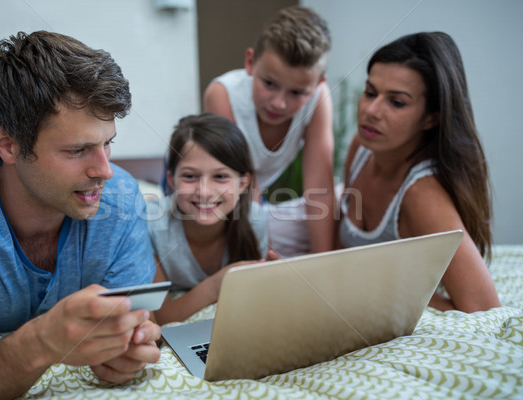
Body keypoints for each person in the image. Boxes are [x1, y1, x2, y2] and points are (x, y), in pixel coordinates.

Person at [0, 31, 161, 399]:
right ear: (7, 144)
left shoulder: (123, 199)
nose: (105, 171)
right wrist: (39, 343)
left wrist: (130, 351)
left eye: (107, 144)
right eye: (78, 149)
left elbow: (137, 329)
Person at [338, 32, 501, 312]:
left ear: (431, 118)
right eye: (370, 92)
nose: (371, 111)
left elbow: (484, 309)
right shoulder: (363, 147)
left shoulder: (421, 194)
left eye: (396, 102)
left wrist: (370, 288)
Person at [203, 5, 336, 257]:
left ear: (318, 84)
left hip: (253, 199)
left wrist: (324, 264)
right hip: (219, 187)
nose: (279, 103)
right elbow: (242, 182)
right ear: (250, 62)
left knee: (338, 203)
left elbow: (320, 188)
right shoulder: (222, 94)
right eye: (269, 84)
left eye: (297, 93)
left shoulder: (319, 99)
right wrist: (264, 255)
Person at [148, 113, 277, 324]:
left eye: (220, 176)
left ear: (243, 183)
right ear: (171, 180)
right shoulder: (150, 227)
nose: (205, 192)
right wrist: (220, 283)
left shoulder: (255, 221)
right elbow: (162, 316)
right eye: (190, 176)